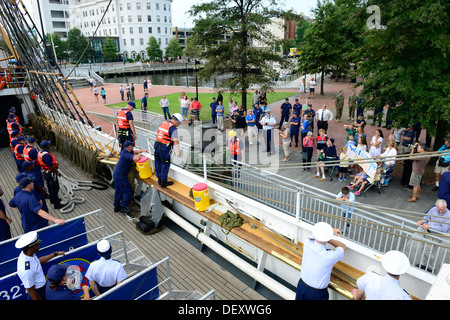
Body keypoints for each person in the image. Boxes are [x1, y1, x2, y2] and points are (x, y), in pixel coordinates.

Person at [295, 222, 345, 300]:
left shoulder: (307, 243)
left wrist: (329, 232)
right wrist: (329, 237)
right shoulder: (329, 256)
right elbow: (342, 246)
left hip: (302, 286)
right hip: (317, 294)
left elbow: (314, 235)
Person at [15, 231, 65, 300]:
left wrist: (55, 254)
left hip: (43, 287)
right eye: (37, 244)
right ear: (30, 249)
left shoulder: (28, 253)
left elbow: (38, 261)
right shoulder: (26, 270)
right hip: (38, 293)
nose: (39, 246)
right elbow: (31, 291)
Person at [113, 141, 148, 214]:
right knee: (128, 191)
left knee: (119, 191)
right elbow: (135, 159)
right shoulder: (126, 154)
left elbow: (134, 151)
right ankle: (123, 207)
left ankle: (116, 207)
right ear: (129, 146)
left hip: (117, 174)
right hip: (121, 176)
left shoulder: (125, 151)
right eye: (132, 145)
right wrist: (140, 154)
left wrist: (142, 150)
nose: (133, 146)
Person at [154, 114, 182, 188]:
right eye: (179, 123)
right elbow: (175, 140)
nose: (178, 125)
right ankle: (163, 182)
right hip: (164, 148)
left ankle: (159, 179)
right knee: (165, 163)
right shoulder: (173, 129)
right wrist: (178, 151)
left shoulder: (163, 123)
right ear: (176, 121)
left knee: (158, 162)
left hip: (157, 145)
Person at [37, 140, 63, 209]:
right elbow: (50, 166)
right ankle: (57, 204)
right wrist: (57, 172)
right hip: (51, 174)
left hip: (46, 173)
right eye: (48, 145)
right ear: (47, 147)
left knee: (50, 187)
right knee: (55, 188)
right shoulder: (47, 156)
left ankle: (53, 200)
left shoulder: (40, 153)